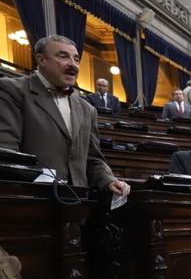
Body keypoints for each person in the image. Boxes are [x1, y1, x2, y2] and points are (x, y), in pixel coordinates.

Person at [0, 35, 130, 196]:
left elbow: (93, 158)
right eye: (63, 56)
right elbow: (7, 154)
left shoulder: (87, 109)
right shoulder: (13, 90)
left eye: (76, 59)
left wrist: (108, 180)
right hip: (30, 202)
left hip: (77, 205)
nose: (72, 65)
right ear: (41, 60)